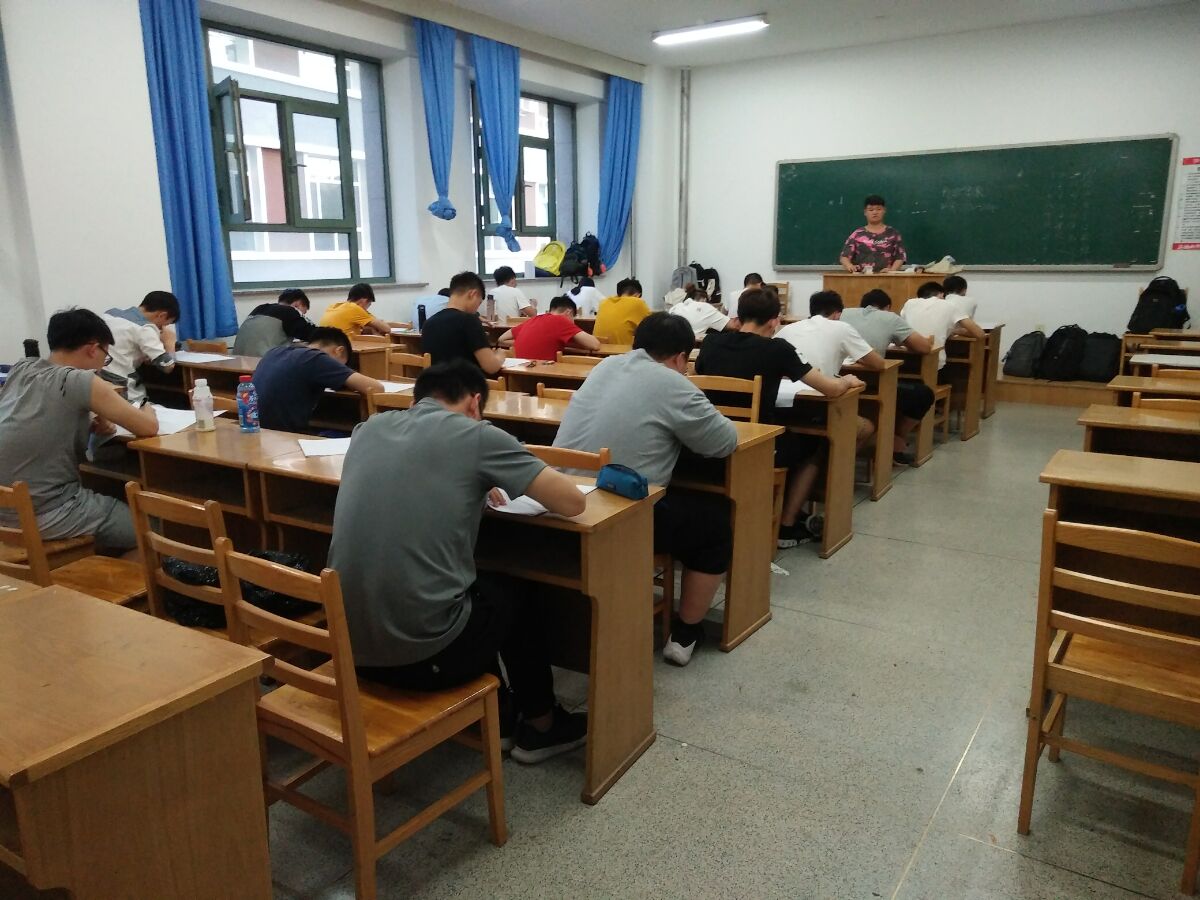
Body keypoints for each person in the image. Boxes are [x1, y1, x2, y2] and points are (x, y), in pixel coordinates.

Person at [331, 361, 589, 763]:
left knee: (472, 588)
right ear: (474, 403)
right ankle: (543, 726)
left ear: (417, 400)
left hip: (349, 650)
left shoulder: (369, 429)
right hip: (422, 660)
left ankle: (499, 718)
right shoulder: (477, 436)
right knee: (515, 592)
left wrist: (474, 486)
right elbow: (572, 502)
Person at [553, 313, 739, 666]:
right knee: (714, 524)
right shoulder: (673, 383)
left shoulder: (606, 366)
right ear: (681, 357)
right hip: (615, 514)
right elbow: (724, 442)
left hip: (562, 497)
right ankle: (685, 633)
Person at [697, 289, 863, 548]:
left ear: (739, 316)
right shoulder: (777, 349)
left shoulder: (711, 343)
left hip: (711, 439)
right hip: (756, 446)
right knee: (815, 444)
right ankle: (787, 524)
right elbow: (830, 389)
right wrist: (847, 381)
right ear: (775, 321)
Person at [0, 309, 159, 553]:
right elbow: (148, 427)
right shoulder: (79, 380)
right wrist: (148, 406)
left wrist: (90, 422)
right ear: (93, 348)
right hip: (49, 512)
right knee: (154, 529)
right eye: (106, 356)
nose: (103, 364)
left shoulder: (22, 369)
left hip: (7, 508)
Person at [841, 289, 936, 464]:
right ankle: (895, 439)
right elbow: (924, 347)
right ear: (887, 307)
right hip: (870, 383)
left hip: (838, 378)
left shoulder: (843, 313)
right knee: (923, 394)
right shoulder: (890, 317)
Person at [777, 291, 880, 450]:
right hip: (820, 405)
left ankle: (823, 458)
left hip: (782, 406)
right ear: (838, 314)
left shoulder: (787, 329)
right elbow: (878, 363)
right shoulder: (841, 327)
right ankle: (834, 462)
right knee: (868, 427)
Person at [252, 327, 385, 433]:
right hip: (286, 436)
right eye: (342, 366)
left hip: (256, 430)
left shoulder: (275, 352)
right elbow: (377, 388)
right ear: (339, 351)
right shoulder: (317, 358)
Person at [101, 290, 180, 405]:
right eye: (165, 324)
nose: (162, 328)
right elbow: (167, 366)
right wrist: (170, 342)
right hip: (122, 386)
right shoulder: (145, 328)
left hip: (98, 378)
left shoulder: (109, 314)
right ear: (162, 315)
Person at [421, 271, 506, 375]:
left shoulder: (429, 323)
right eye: (479, 303)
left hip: (435, 383)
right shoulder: (469, 321)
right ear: (472, 294)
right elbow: (491, 367)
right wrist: (499, 356)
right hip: (465, 383)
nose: (476, 309)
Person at [901, 281, 985, 367]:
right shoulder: (949, 305)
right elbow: (980, 334)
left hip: (905, 359)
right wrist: (956, 331)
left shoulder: (909, 303)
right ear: (941, 294)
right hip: (934, 361)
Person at [497, 295, 601, 361]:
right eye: (573, 317)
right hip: (541, 375)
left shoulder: (533, 319)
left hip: (520, 371)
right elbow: (595, 345)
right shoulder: (561, 320)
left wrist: (529, 341)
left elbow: (502, 339)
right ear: (568, 312)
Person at [233, 288, 316, 356]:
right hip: (262, 363)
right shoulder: (289, 312)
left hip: (239, 361)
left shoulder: (260, 308)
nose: (302, 316)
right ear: (297, 305)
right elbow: (313, 335)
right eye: (303, 313)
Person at [839, 194, 907, 273]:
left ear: (884, 210)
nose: (875, 212)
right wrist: (849, 266)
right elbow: (844, 257)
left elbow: (900, 257)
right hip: (862, 277)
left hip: (886, 277)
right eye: (871, 210)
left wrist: (892, 271)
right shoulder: (857, 234)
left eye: (878, 209)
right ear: (865, 212)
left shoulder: (893, 233)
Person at [319, 283, 391, 337]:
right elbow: (387, 329)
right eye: (369, 304)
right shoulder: (354, 308)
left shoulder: (334, 306)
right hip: (345, 348)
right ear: (364, 301)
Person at [593, 278, 650, 345]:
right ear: (637, 295)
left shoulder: (604, 302)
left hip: (597, 349)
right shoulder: (638, 302)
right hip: (622, 350)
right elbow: (652, 326)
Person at [669, 285, 736, 339]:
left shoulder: (677, 306)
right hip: (689, 345)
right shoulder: (705, 308)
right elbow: (734, 325)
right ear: (704, 300)